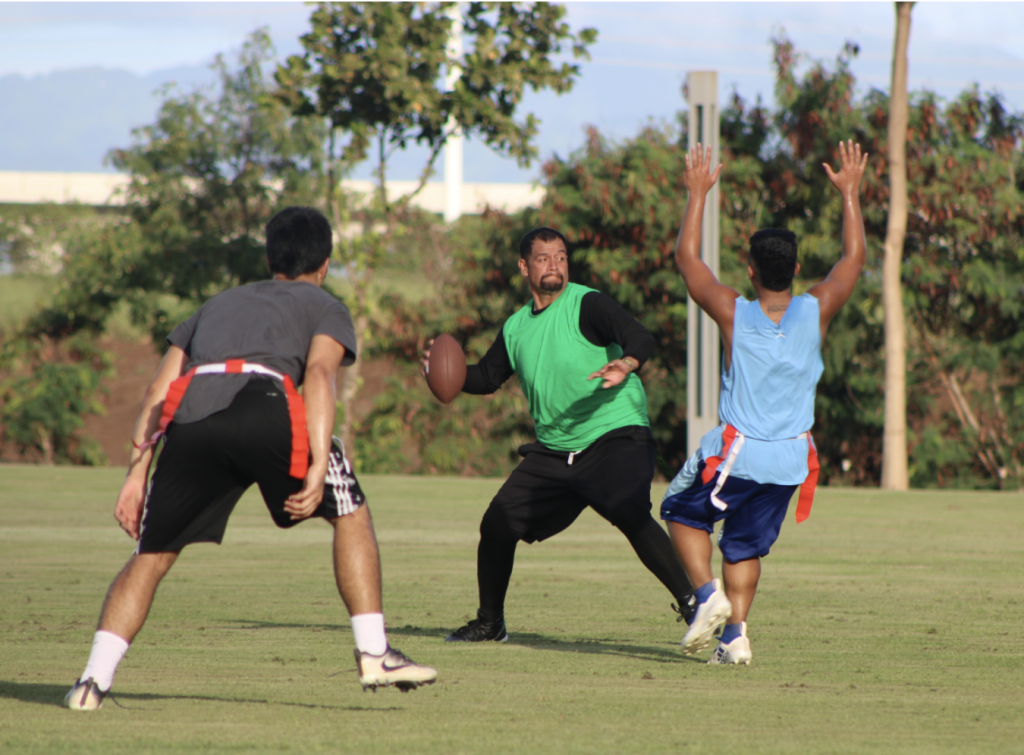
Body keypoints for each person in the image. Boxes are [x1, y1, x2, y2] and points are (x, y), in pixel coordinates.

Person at [64, 207, 436, 710]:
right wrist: (319, 461)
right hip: (263, 403)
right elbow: (321, 378)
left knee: (150, 556)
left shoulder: (216, 303)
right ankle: (374, 653)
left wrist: (136, 476)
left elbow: (159, 389)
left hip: (191, 413)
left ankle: (91, 682)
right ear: (325, 263)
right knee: (350, 510)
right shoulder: (325, 304)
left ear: (269, 258)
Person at [425, 227, 696, 643]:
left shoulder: (586, 303)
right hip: (555, 451)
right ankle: (490, 622)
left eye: (561, 257)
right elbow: (485, 377)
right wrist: (442, 370)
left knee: (627, 508)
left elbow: (639, 335)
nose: (555, 265)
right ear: (524, 267)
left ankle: (694, 605)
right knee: (496, 525)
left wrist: (627, 362)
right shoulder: (516, 328)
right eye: (543, 258)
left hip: (614, 433)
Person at [661, 141, 868, 664]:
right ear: (796, 267)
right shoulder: (816, 310)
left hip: (741, 453)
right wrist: (850, 194)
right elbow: (853, 259)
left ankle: (709, 600)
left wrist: (698, 193)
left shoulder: (735, 311)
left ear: (750, 271)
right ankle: (736, 639)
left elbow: (687, 260)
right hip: (790, 460)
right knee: (744, 546)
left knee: (680, 515)